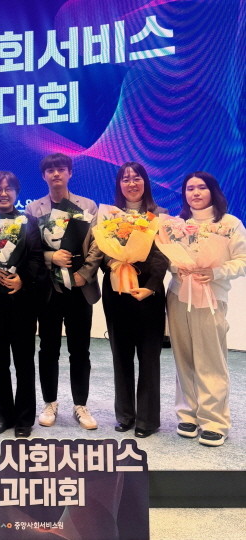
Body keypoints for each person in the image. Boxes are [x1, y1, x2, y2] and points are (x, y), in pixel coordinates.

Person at [167, 172, 246, 446]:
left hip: (212, 298)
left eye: (201, 187)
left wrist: (216, 272)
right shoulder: (176, 225)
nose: (195, 193)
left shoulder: (229, 224)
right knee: (183, 357)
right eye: (190, 188)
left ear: (213, 190)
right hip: (178, 297)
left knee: (211, 359)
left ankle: (214, 421)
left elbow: (243, 260)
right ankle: (188, 414)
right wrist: (176, 267)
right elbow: (168, 258)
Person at [25, 153, 101, 430]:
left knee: (80, 349)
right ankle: (50, 402)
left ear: (70, 173)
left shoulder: (88, 206)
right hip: (48, 288)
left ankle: (80, 404)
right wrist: (51, 257)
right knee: (48, 348)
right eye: (50, 170)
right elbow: (30, 249)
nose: (56, 174)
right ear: (43, 175)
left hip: (80, 287)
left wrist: (84, 274)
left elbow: (98, 245)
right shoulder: (33, 209)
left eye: (61, 169)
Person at [100, 162, 168, 438]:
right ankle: (125, 415)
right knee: (121, 356)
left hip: (149, 294)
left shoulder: (160, 216)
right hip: (117, 291)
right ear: (119, 185)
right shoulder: (109, 215)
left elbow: (163, 255)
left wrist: (151, 286)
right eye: (125, 179)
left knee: (149, 357)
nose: (131, 183)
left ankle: (147, 420)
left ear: (145, 182)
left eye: (136, 178)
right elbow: (101, 250)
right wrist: (115, 263)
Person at [0, 171, 48, 438]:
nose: (3, 193)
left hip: (23, 303)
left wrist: (23, 279)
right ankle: (5, 413)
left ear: (17, 192)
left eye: (9, 188)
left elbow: (37, 258)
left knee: (24, 361)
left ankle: (24, 417)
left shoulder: (29, 222)